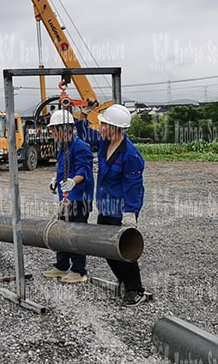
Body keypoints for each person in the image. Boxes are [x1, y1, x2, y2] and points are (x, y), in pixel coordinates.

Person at [77, 104, 147, 306]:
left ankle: (135, 289)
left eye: (104, 124)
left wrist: (130, 214)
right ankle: (125, 282)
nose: (100, 127)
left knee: (123, 252)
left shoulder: (131, 155)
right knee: (107, 250)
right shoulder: (105, 142)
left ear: (115, 128)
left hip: (121, 211)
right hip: (105, 208)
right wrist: (82, 116)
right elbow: (86, 134)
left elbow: (134, 186)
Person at [42, 110, 94, 284]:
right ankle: (62, 266)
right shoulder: (63, 147)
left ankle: (79, 271)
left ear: (63, 128)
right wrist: (55, 180)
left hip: (80, 198)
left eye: (54, 130)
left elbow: (83, 170)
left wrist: (73, 182)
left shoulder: (81, 147)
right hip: (65, 197)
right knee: (61, 232)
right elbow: (64, 169)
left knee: (75, 234)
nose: (53, 133)